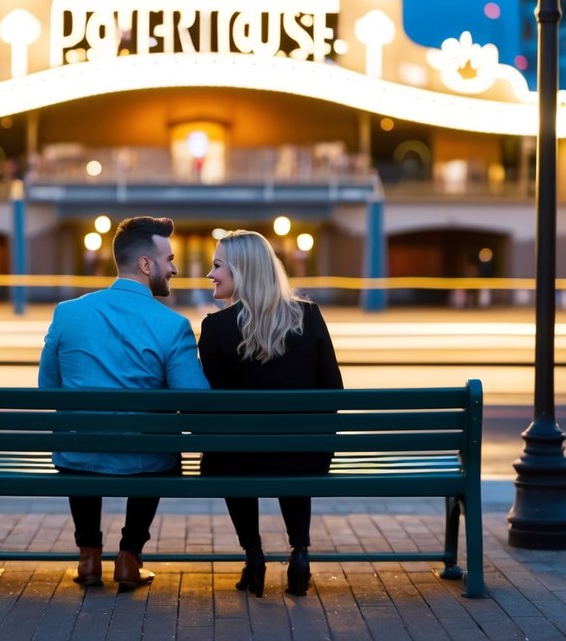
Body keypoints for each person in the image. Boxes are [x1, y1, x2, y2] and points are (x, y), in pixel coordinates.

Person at [38, 215, 209, 591]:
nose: (174, 268)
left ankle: (89, 556)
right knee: (155, 447)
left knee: (79, 440)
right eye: (169, 259)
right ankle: (130, 555)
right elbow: (196, 403)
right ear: (146, 265)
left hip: (78, 456)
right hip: (145, 459)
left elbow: (48, 387)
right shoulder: (172, 325)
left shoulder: (67, 313)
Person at [198, 230, 344, 598]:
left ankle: (254, 555)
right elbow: (334, 390)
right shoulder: (309, 317)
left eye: (217, 266)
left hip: (235, 461)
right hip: (304, 459)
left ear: (241, 270)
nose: (210, 275)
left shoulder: (215, 328)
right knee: (292, 447)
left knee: (229, 449)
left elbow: (206, 406)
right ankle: (300, 553)